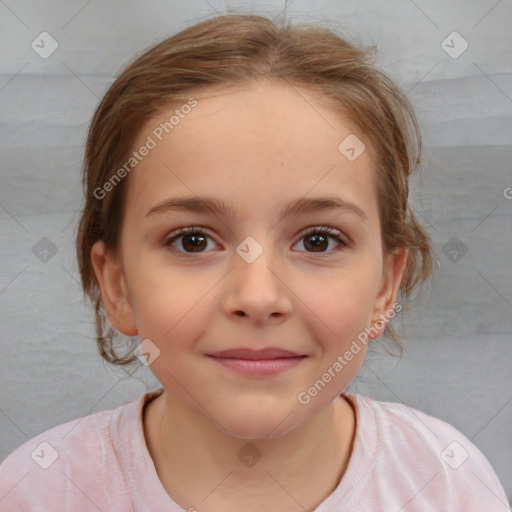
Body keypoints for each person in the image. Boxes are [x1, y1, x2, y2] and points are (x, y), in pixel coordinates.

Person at [0, 13, 508, 512]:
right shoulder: (38, 491)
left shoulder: (445, 482)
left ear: (384, 288)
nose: (258, 298)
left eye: (317, 242)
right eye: (193, 241)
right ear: (117, 286)